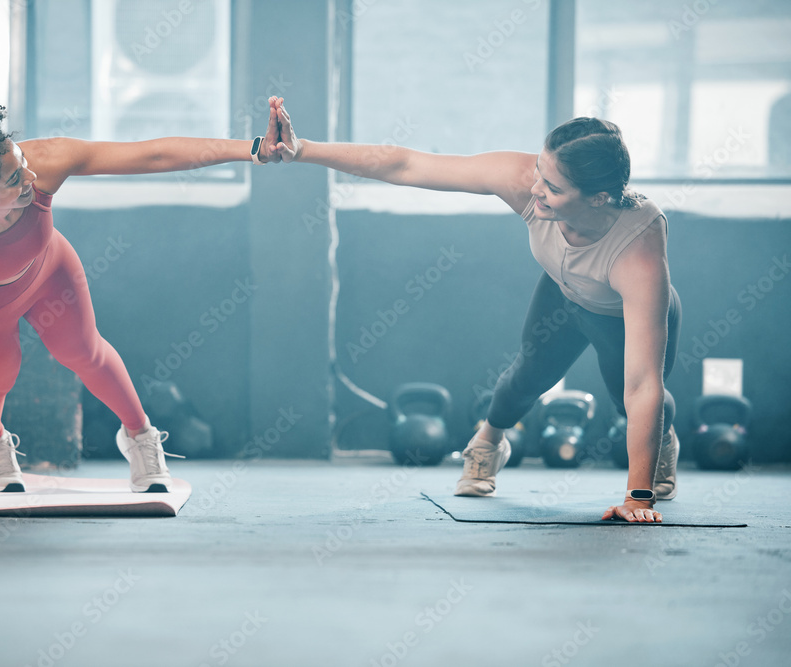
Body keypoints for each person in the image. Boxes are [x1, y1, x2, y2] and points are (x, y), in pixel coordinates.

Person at [267, 97, 680, 523]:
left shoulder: (639, 251)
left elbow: (642, 385)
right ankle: (488, 442)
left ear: (599, 198)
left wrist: (638, 498)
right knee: (523, 379)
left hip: (616, 315)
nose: (537, 188)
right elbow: (405, 164)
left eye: (554, 188)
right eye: (541, 170)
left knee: (631, 400)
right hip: (563, 291)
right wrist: (304, 150)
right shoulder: (526, 181)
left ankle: (662, 442)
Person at [0, 88, 281, 511]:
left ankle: (141, 436)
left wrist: (253, 149)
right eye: (14, 179)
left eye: (20, 161)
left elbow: (151, 155)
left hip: (48, 267)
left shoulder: (43, 161)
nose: (29, 177)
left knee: (85, 351)